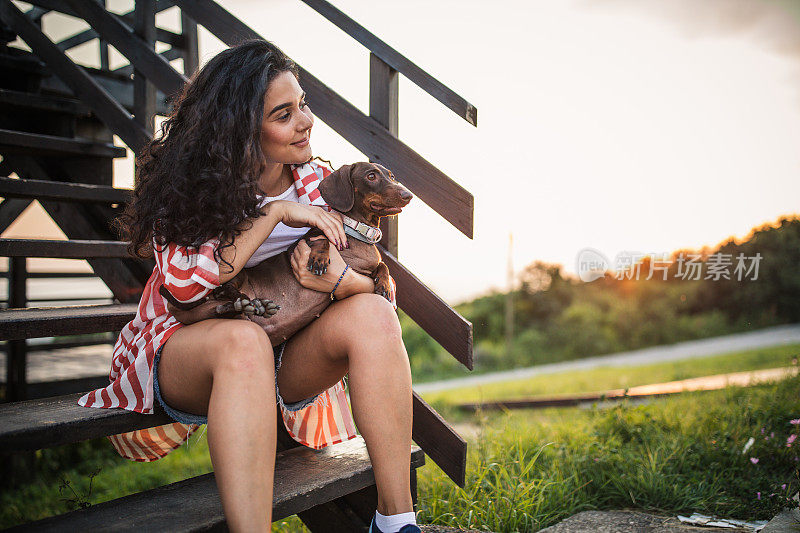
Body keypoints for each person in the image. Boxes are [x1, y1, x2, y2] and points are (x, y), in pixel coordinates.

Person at [77, 40, 419, 533]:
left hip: (288, 345)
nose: (304, 121)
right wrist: (275, 212)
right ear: (239, 129)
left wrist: (340, 281)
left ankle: (395, 522)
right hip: (189, 350)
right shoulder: (192, 191)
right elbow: (186, 288)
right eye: (284, 114)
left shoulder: (320, 182)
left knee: (374, 315)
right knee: (244, 341)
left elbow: (382, 295)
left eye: (302, 104)